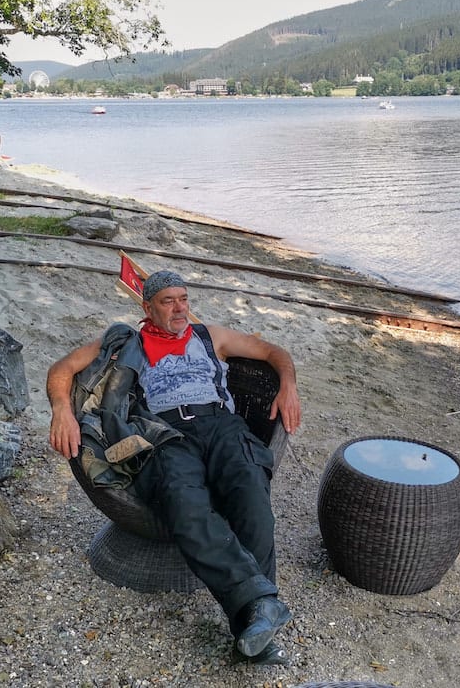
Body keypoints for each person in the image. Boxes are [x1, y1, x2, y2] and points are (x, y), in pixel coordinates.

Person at [46, 270, 303, 666]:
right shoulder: (128, 341)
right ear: (148, 308)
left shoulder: (209, 335)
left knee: (253, 500)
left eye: (183, 298)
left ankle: (255, 619)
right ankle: (260, 614)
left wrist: (288, 385)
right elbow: (62, 368)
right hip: (167, 434)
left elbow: (273, 352)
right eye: (168, 301)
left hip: (222, 427)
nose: (180, 307)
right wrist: (62, 410)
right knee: (185, 506)